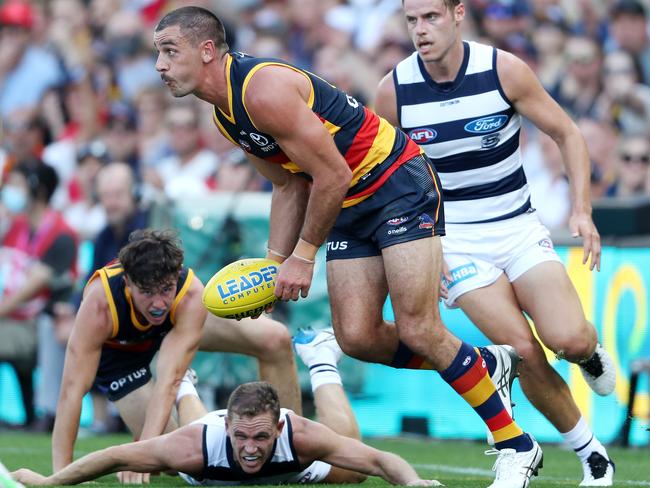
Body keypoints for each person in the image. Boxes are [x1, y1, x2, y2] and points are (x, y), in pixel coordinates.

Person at [153, 6, 542, 488]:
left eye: (170, 51)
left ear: (207, 50)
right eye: (158, 54)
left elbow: (332, 172)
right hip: (344, 201)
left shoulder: (263, 90)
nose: (160, 65)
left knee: (420, 329)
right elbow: (288, 185)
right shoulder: (225, 116)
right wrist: (273, 268)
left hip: (395, 181)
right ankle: (477, 364)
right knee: (356, 337)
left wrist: (302, 255)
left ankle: (516, 444)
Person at [373, 0, 616, 486]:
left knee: (567, 338)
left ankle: (589, 353)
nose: (421, 30)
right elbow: (393, 180)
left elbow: (567, 133)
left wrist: (582, 210)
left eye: (431, 17)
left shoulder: (502, 69)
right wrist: (425, 250)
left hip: (517, 226)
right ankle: (593, 454)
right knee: (522, 351)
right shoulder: (393, 90)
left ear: (458, 13)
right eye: (412, 20)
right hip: (456, 240)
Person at [11, 332, 442, 487]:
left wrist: (414, 481)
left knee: (355, 466)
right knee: (196, 440)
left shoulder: (300, 435)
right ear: (229, 426)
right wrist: (50, 483)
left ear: (278, 427)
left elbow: (378, 460)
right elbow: (115, 456)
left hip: (289, 462)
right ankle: (183, 384)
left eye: (259, 436)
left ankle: (321, 358)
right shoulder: (196, 445)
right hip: (202, 445)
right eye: (241, 436)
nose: (250, 448)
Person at [51, 227, 302, 482]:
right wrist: (61, 474)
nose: (158, 303)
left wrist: (141, 454)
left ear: (177, 273)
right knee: (178, 461)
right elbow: (72, 390)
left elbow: (167, 380)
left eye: (165, 289)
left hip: (175, 325)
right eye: (147, 292)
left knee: (275, 338)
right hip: (121, 357)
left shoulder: (188, 292)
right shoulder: (100, 304)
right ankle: (182, 392)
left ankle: (293, 447)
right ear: (127, 283)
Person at [0, 162, 78, 430]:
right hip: (14, 321)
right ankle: (30, 415)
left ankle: (40, 414)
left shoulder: (61, 235)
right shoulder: (14, 226)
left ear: (39, 191)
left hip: (43, 323)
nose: (9, 191)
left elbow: (30, 289)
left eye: (17, 185)